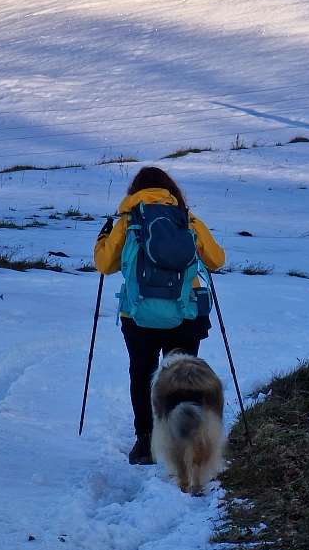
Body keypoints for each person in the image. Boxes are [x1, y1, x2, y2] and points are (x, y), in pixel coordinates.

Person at [94, 166, 225, 465]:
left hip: (139, 313)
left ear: (135, 190)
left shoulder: (128, 220)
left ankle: (146, 444)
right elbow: (216, 260)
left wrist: (102, 240)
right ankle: (185, 439)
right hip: (186, 311)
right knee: (182, 375)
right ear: (170, 189)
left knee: (142, 374)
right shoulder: (186, 219)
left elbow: (106, 265)